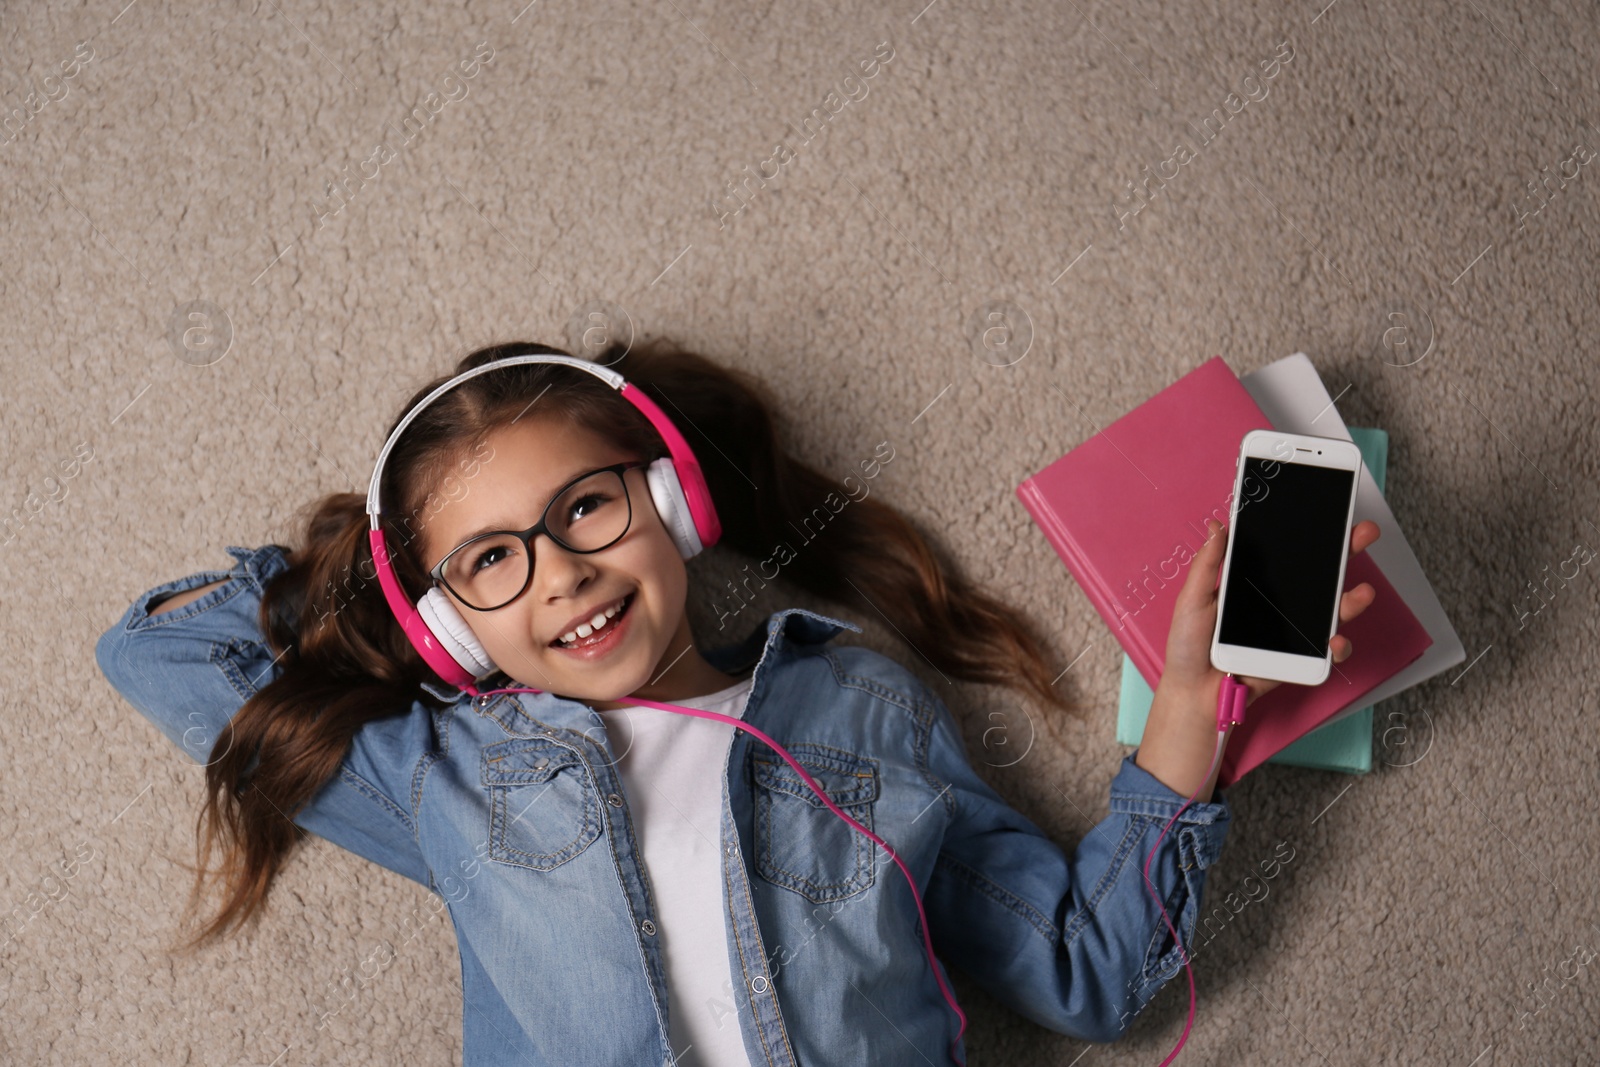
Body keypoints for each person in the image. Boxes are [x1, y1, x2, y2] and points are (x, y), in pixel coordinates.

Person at [95, 338, 1379, 1066]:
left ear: (672, 503)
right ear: (450, 623)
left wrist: (1190, 713)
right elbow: (155, 651)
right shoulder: (443, 768)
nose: (563, 571)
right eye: (493, 560)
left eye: (585, 506)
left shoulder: (859, 704)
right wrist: (368, 594)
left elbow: (1090, 973)